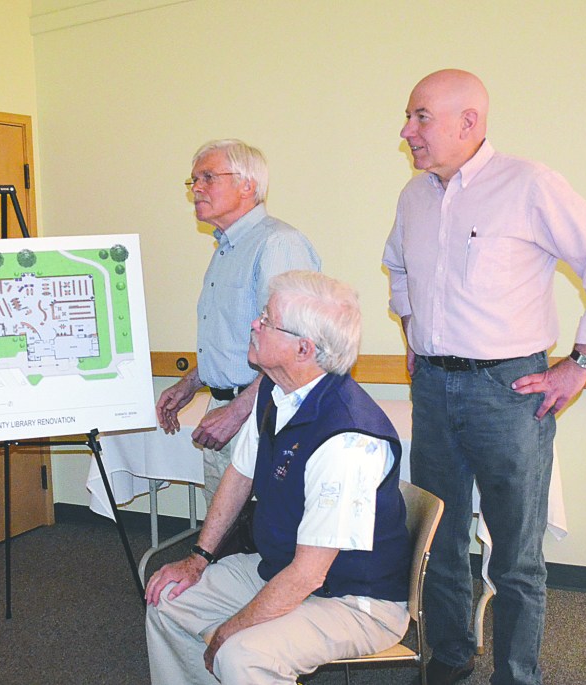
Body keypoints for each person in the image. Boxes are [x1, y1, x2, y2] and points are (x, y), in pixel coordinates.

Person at [382, 69, 586, 685]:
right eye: (409, 117)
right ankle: (451, 657)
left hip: (509, 393)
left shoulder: (529, 184)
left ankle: (517, 675)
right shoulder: (414, 197)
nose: (407, 130)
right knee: (439, 539)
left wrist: (580, 364)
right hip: (433, 389)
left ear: (468, 122)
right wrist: (414, 334)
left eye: (420, 116)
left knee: (515, 554)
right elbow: (398, 268)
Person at [146, 270, 411, 685]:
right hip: (280, 569)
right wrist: (198, 559)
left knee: (241, 655)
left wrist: (228, 632)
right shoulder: (274, 391)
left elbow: (309, 574)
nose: (255, 323)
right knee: (168, 600)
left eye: (268, 320)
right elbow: (239, 475)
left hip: (352, 600)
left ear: (304, 349)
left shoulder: (348, 438)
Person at [156, 139, 321, 505]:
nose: (196, 188)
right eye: (194, 180)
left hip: (262, 415)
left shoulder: (277, 244)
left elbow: (293, 349)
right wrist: (191, 382)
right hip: (233, 411)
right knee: (224, 533)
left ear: (247, 185)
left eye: (208, 177)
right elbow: (236, 340)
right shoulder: (228, 249)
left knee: (262, 534)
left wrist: (237, 411)